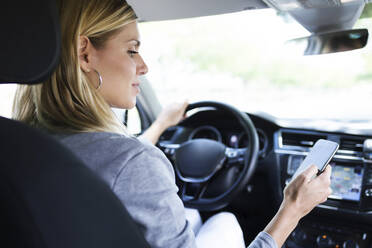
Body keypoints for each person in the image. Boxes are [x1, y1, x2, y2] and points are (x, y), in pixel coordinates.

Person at [12, 0, 332, 247]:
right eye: (132, 50)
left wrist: (162, 124)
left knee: (191, 213)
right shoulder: (135, 163)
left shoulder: (22, 144)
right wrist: (293, 208)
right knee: (224, 221)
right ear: (84, 54)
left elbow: (110, 167)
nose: (144, 66)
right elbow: (125, 165)